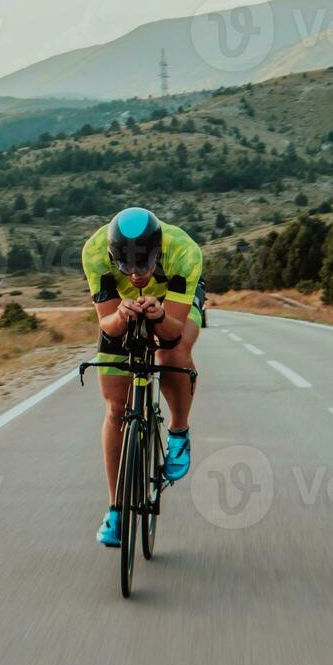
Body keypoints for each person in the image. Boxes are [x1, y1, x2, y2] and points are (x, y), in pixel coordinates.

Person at [81, 208, 204, 548]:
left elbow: (173, 332)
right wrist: (121, 316)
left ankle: (179, 432)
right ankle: (116, 510)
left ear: (157, 251)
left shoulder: (183, 251)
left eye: (143, 265)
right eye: (125, 266)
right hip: (123, 309)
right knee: (115, 409)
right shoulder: (94, 252)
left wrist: (160, 314)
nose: (135, 275)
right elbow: (106, 323)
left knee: (170, 354)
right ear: (112, 255)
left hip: (173, 307)